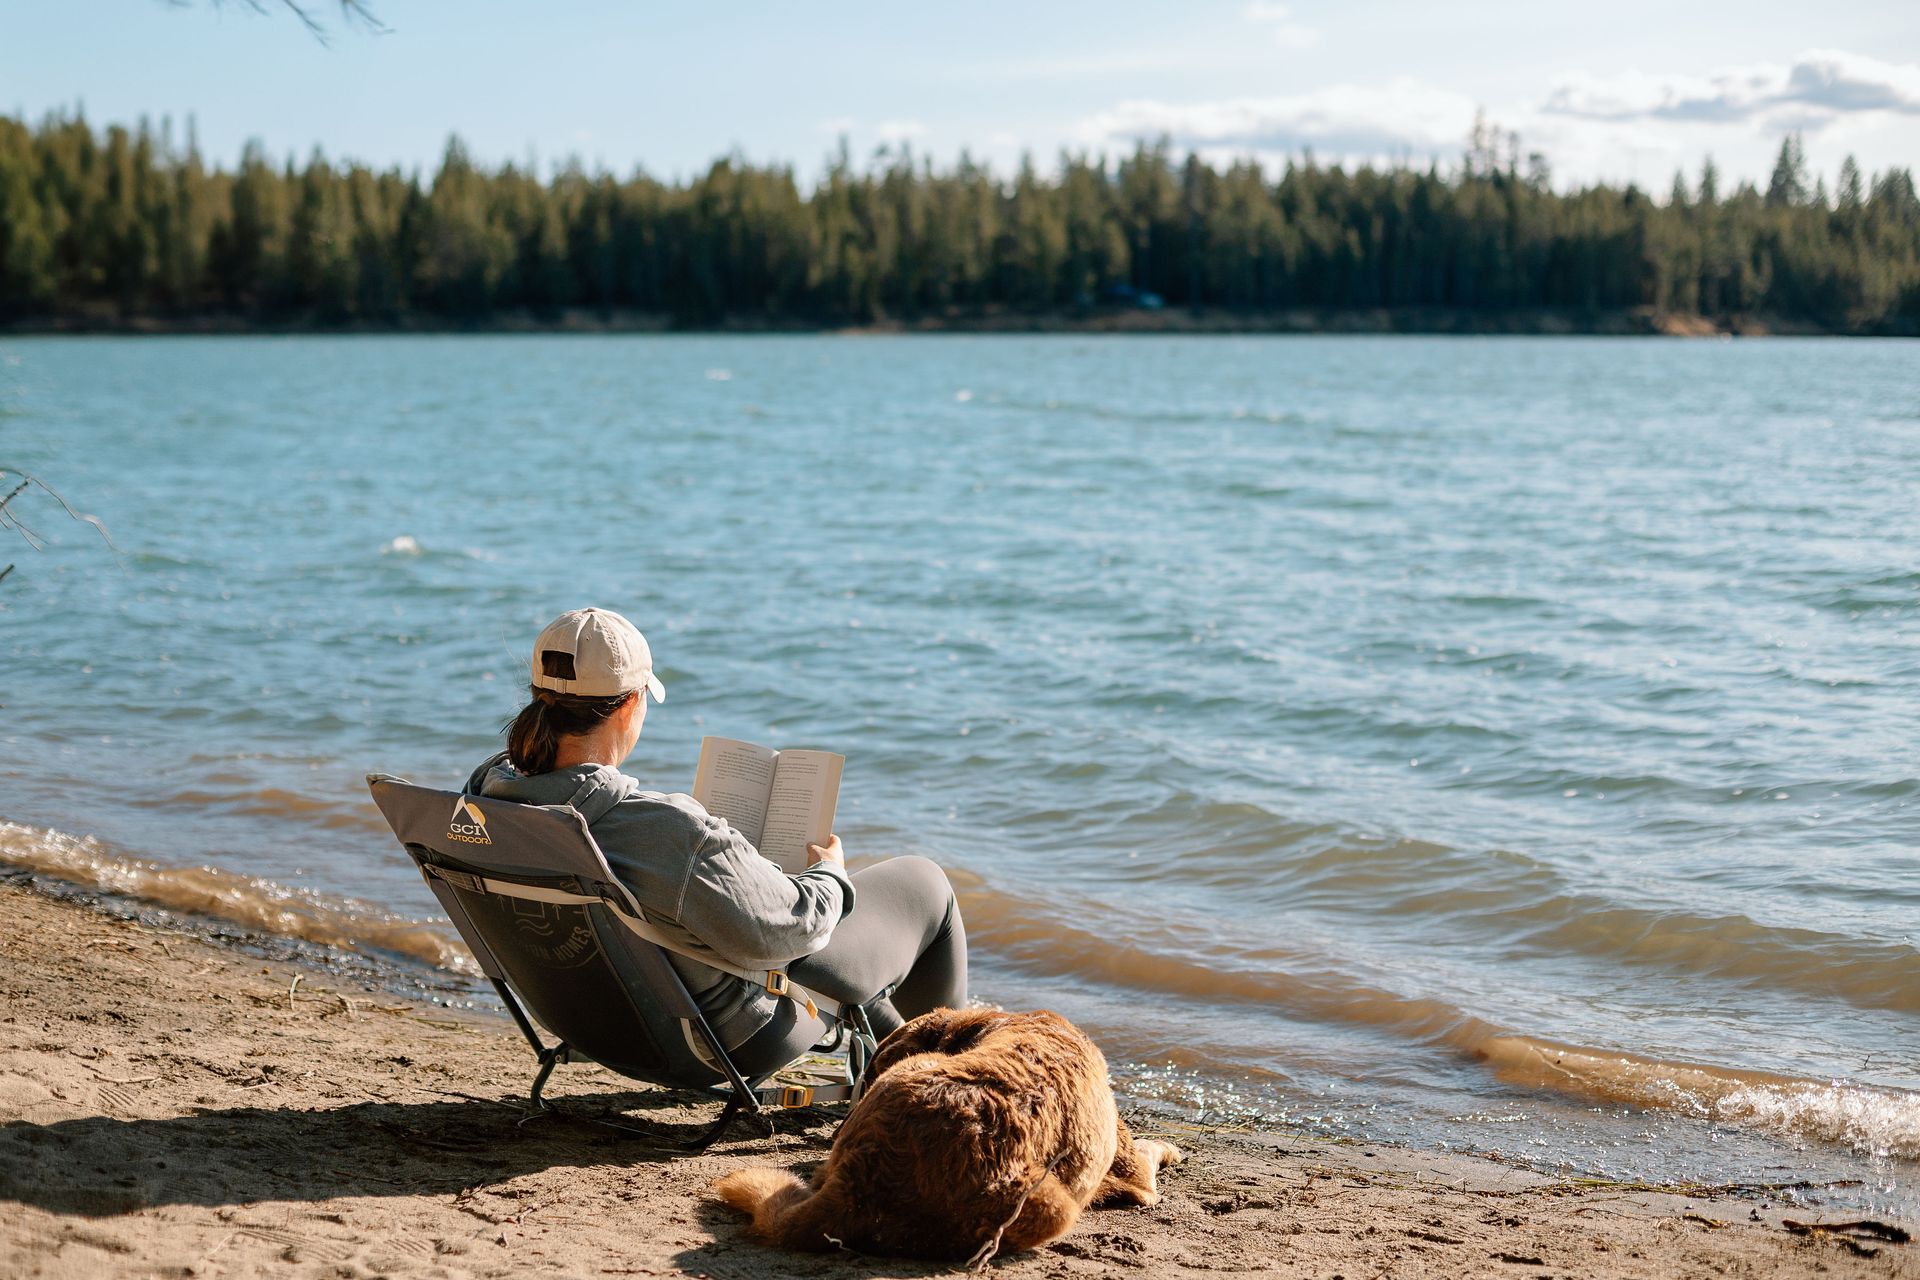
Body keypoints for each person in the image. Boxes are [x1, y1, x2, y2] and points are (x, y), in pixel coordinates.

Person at [464, 606, 967, 1076]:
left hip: (595, 1026)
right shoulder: (661, 829)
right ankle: (964, 1077)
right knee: (926, 887)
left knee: (833, 953)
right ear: (630, 706)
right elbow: (788, 930)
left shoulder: (488, 797)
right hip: (717, 1039)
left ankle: (903, 1060)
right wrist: (830, 873)